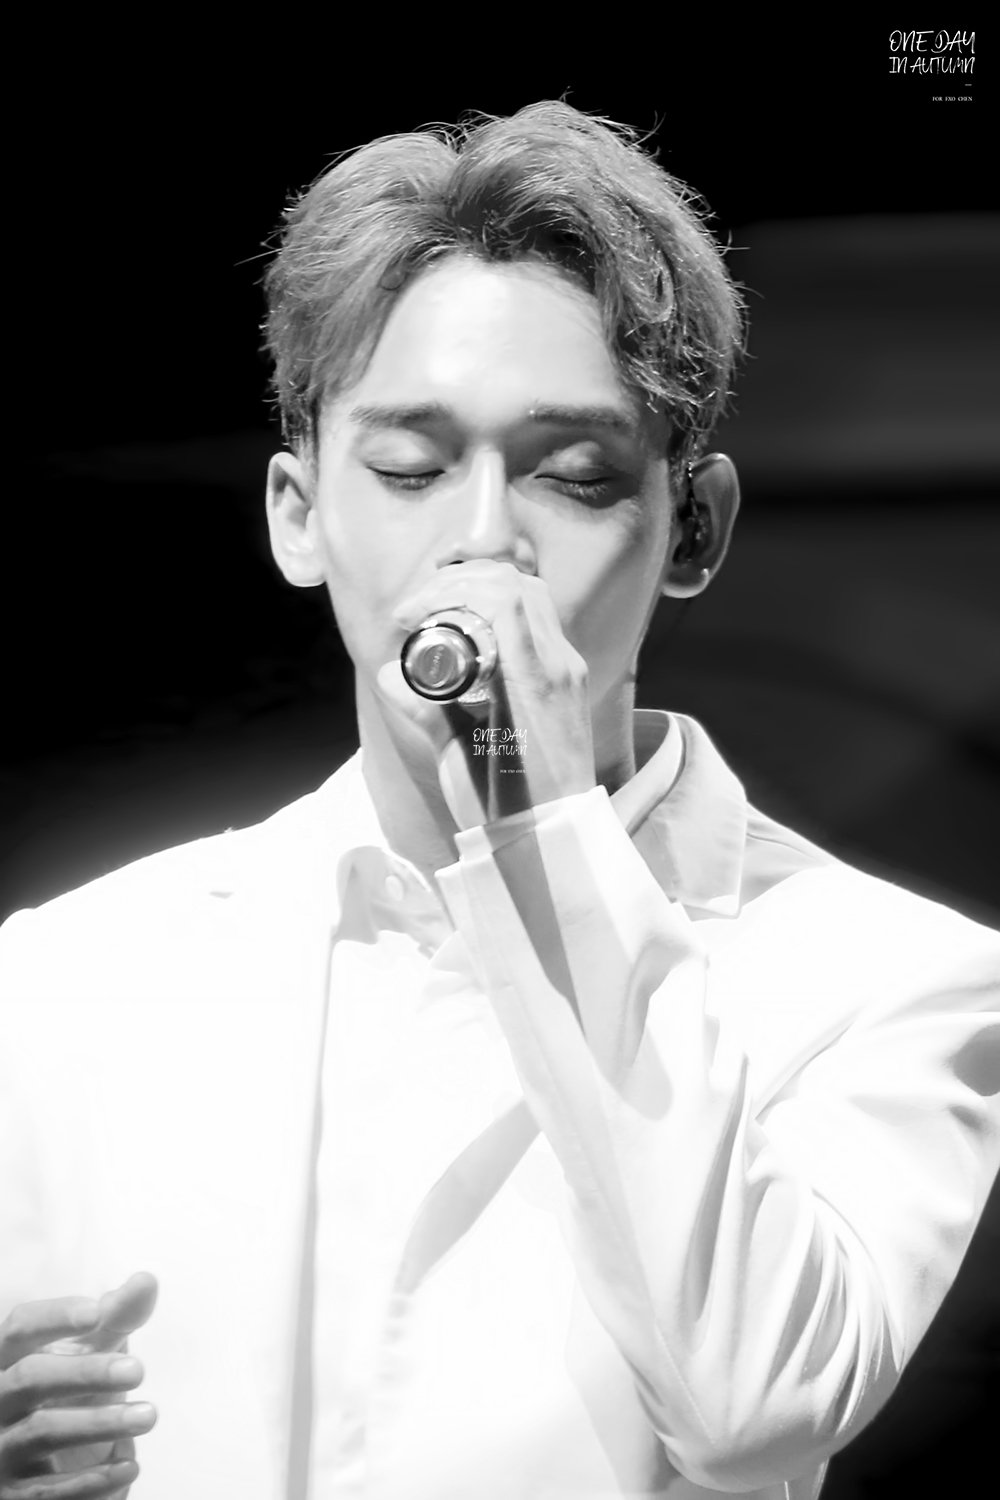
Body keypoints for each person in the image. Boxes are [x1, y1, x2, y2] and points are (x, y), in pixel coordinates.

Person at [0, 101, 997, 1500]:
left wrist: (539, 817)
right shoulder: (64, 977)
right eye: (410, 470)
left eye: (573, 477)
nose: (483, 538)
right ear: (298, 513)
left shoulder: (890, 975)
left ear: (694, 525)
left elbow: (756, 1410)